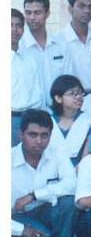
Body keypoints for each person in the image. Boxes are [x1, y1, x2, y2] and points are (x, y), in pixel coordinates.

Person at [11, 110, 76, 237]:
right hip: (13, 218)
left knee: (68, 202)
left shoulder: (57, 153)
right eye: (32, 135)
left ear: (50, 135)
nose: (39, 141)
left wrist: (34, 195)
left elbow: (72, 184)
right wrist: (22, 230)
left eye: (44, 135)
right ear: (21, 135)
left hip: (43, 211)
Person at [11, 9, 45, 145]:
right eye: (9, 25)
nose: (14, 30)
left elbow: (38, 89)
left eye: (18, 25)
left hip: (31, 119)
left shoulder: (29, 58)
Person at [47, 74, 91, 165]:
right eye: (72, 94)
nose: (78, 97)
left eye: (80, 93)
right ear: (58, 98)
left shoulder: (90, 121)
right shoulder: (47, 122)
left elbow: (87, 157)